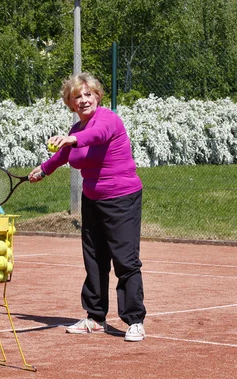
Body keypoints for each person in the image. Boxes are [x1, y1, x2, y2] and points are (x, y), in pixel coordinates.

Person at [28, 72, 147, 342]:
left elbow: (98, 135)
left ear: (97, 96)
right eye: (76, 97)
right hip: (92, 199)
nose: (83, 100)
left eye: (87, 94)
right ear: (70, 103)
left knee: (125, 260)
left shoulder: (107, 119)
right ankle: (95, 317)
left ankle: (135, 320)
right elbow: (63, 155)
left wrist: (71, 140)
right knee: (94, 259)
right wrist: (43, 171)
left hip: (121, 198)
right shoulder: (76, 130)